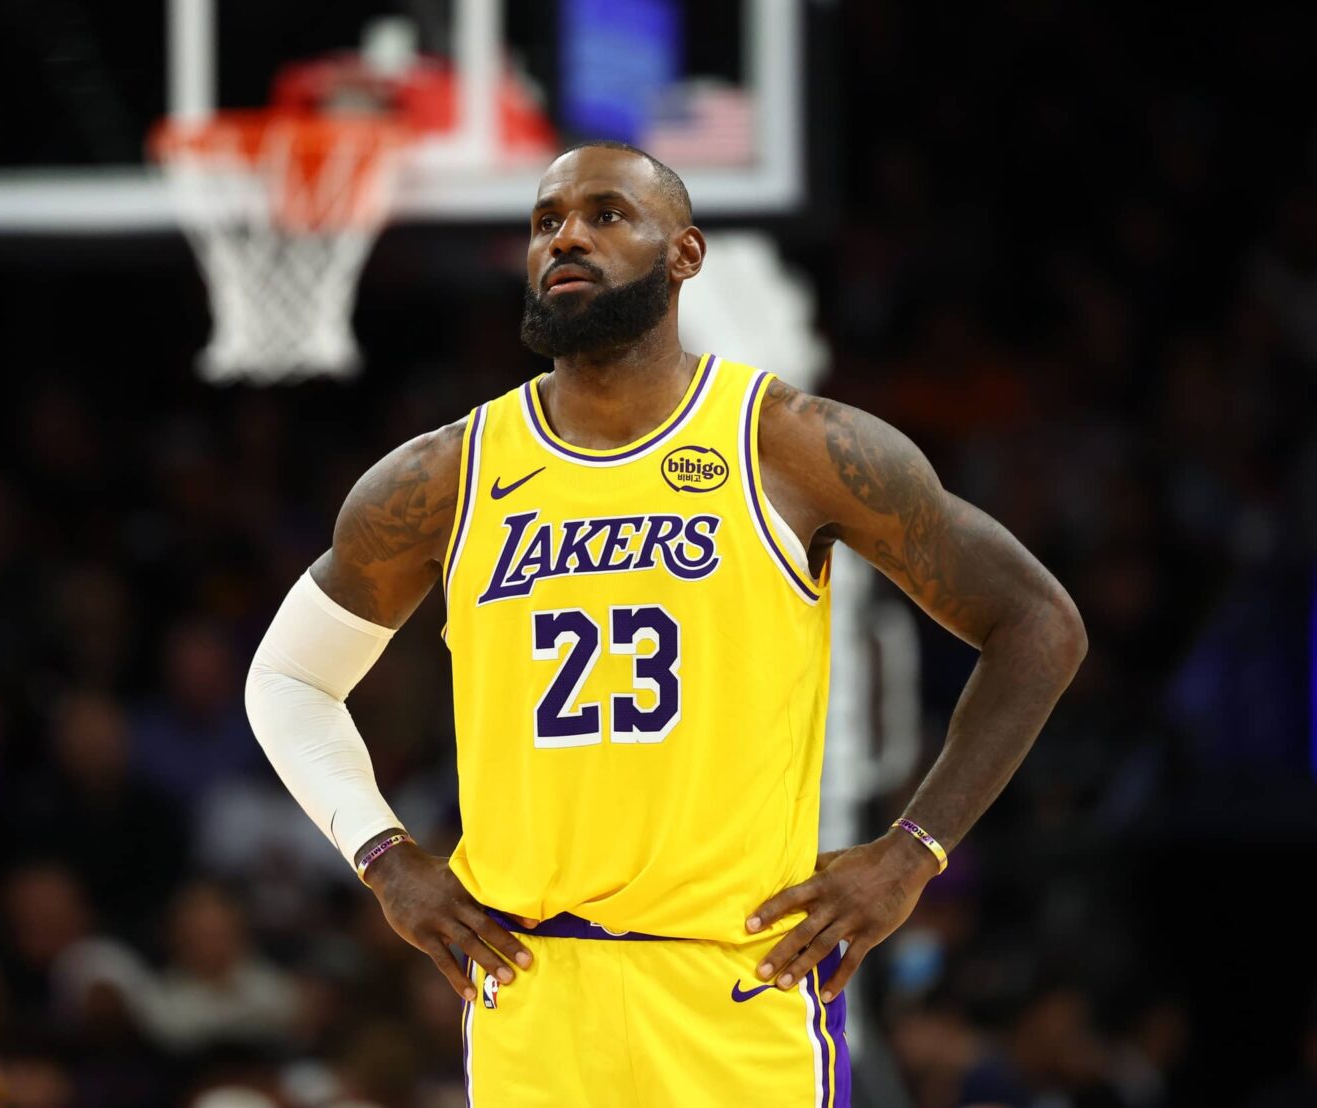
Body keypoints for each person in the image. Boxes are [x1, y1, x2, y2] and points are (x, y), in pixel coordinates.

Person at [245, 141, 1087, 1106]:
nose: (567, 237)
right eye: (546, 221)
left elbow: (1038, 624)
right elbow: (288, 681)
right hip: (532, 992)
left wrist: (912, 854)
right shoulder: (442, 477)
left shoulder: (790, 446)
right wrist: (385, 858)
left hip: (740, 984)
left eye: (607, 214)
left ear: (685, 254)